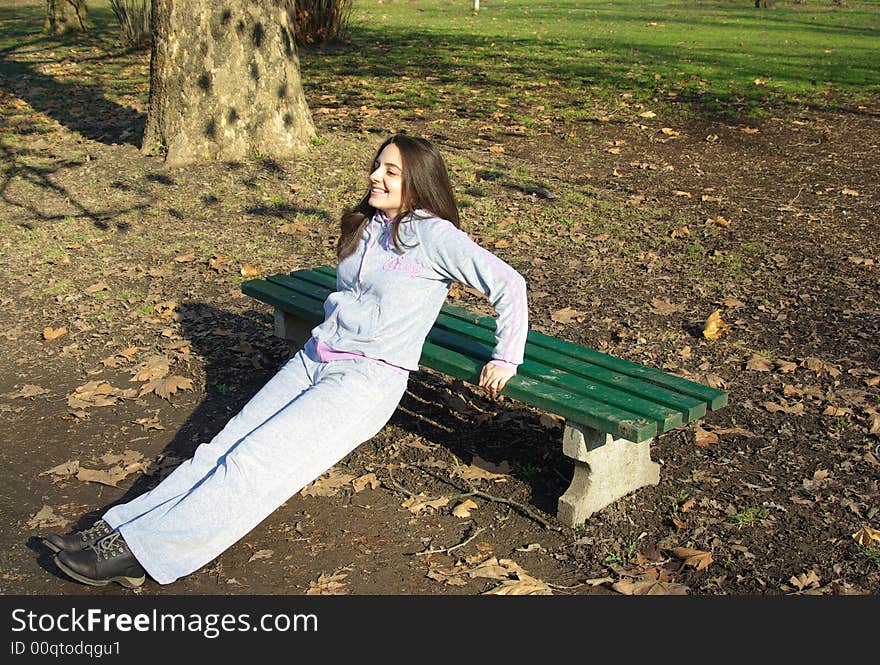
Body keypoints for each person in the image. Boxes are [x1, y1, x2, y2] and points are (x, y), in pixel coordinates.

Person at [43, 134, 529, 588]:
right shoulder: (370, 224)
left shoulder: (435, 235)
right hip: (314, 359)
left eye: (392, 172)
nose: (377, 177)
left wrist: (505, 356)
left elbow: (509, 285)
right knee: (222, 448)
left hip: (365, 380)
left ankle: (144, 554)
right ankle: (119, 529)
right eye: (377, 167)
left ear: (419, 183)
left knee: (254, 465)